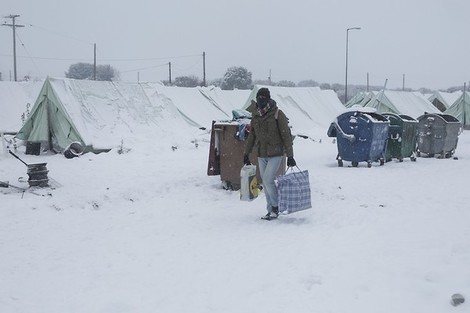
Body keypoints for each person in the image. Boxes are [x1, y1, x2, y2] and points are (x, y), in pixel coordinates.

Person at [243, 87, 296, 220]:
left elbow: (286, 136)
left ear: (268, 98)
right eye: (259, 98)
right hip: (262, 153)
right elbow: (252, 135)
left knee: (267, 179)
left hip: (276, 152)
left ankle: (275, 206)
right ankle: (270, 210)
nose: (260, 100)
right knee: (266, 182)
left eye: (263, 98)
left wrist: (290, 155)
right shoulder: (256, 115)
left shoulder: (277, 113)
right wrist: (246, 153)